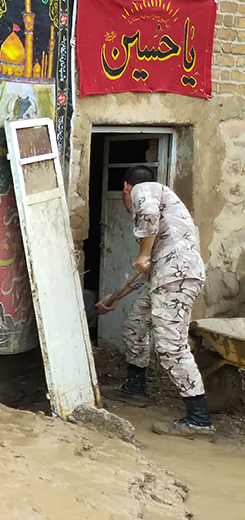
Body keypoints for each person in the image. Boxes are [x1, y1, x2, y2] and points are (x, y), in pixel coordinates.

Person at [96, 165, 212, 435]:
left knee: (171, 346)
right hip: (166, 277)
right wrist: (113, 299)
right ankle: (135, 387)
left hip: (176, 278)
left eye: (126, 193)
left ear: (126, 188)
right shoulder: (167, 212)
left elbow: (146, 220)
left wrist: (143, 253)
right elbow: (142, 273)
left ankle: (199, 418)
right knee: (135, 324)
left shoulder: (144, 189)